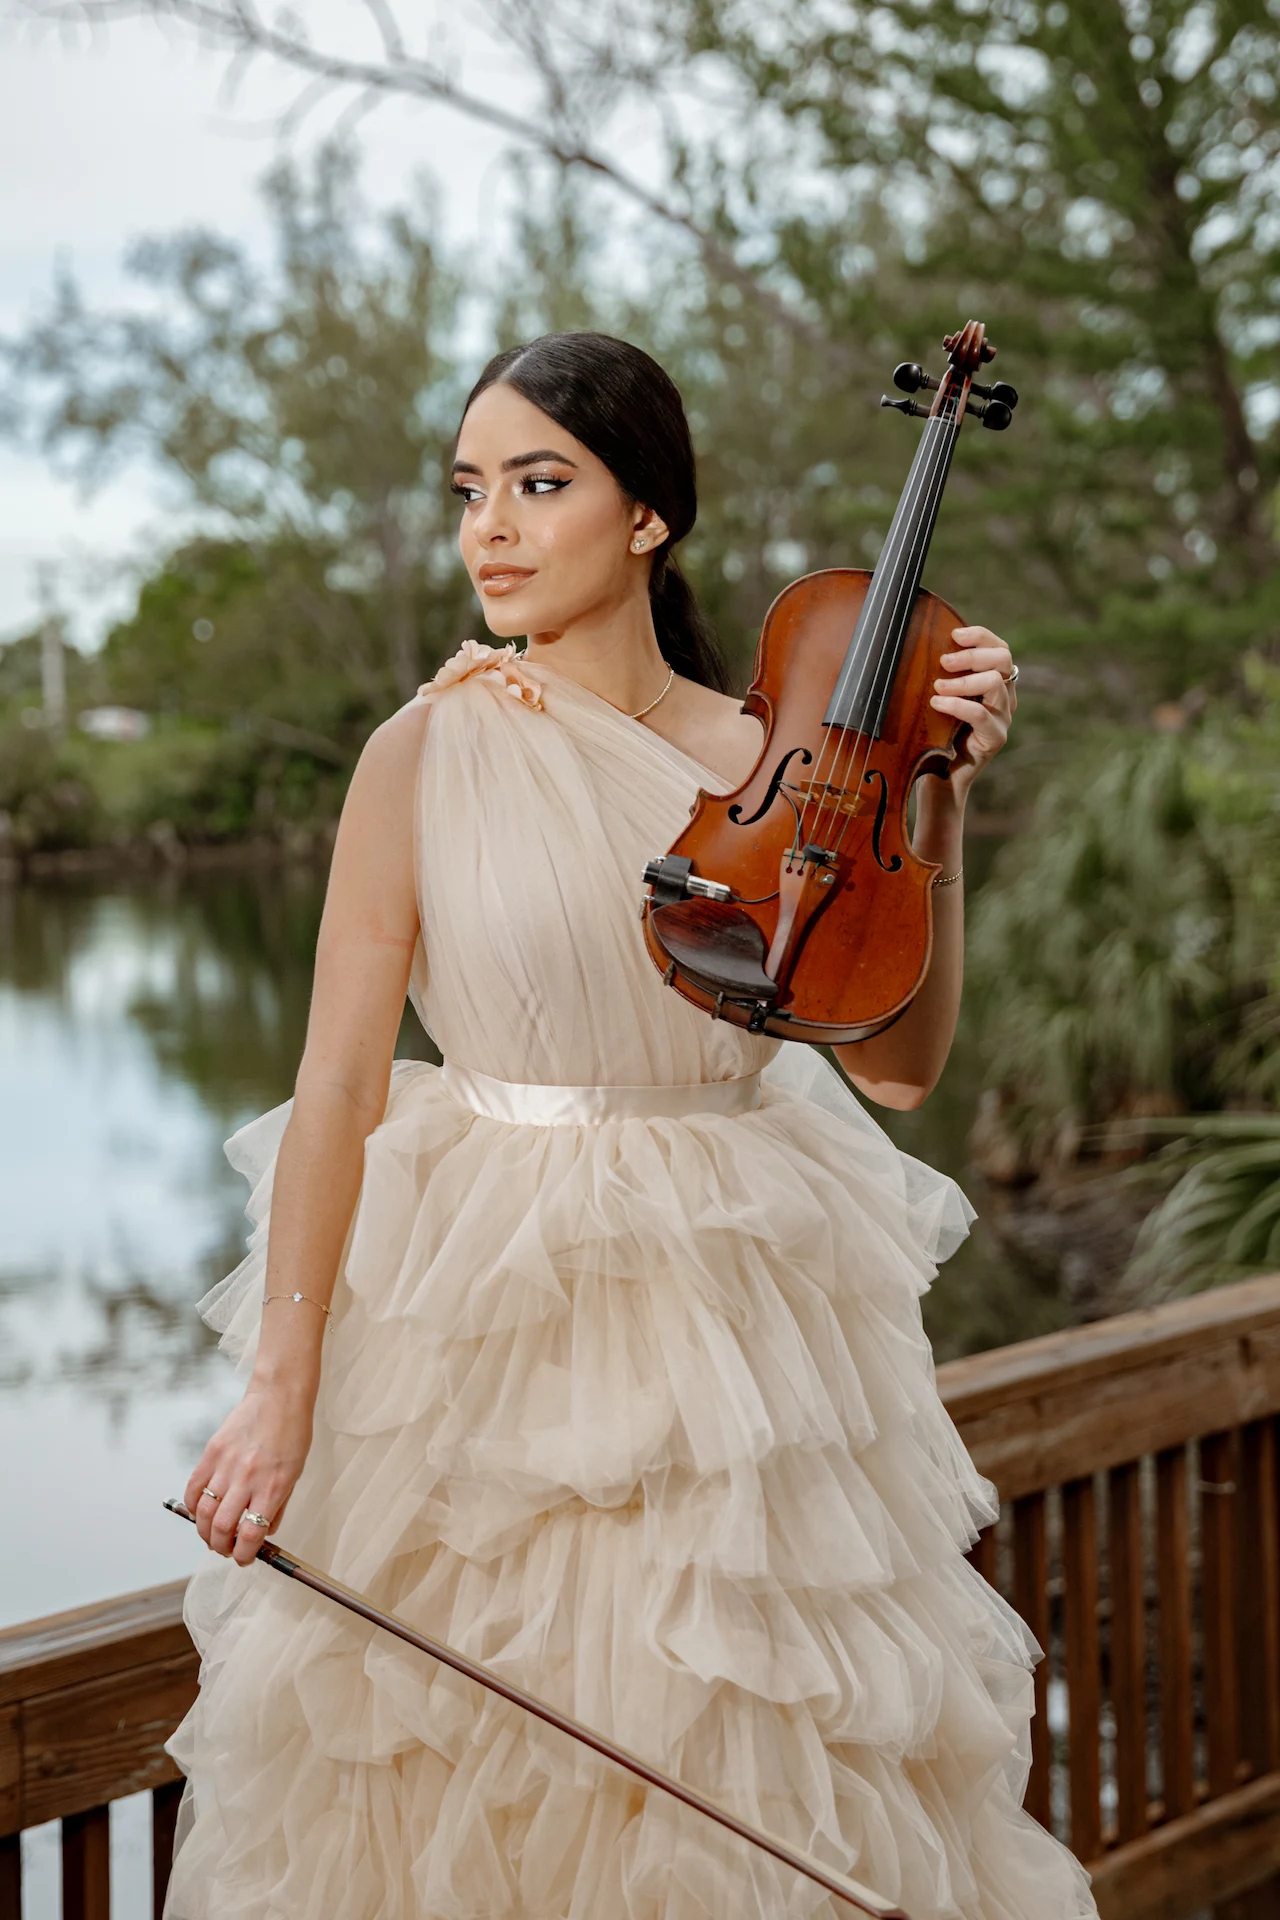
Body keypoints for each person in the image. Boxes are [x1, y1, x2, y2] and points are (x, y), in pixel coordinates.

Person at [165, 331, 1098, 1919]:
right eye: (471, 491)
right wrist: (278, 1393)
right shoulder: (421, 752)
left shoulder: (780, 760)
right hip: (486, 1324)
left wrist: (937, 795)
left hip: (741, 1342)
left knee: (750, 1777)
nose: (493, 531)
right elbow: (334, 1088)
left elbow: (899, 1070)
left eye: (542, 484)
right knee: (466, 1796)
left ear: (648, 514)